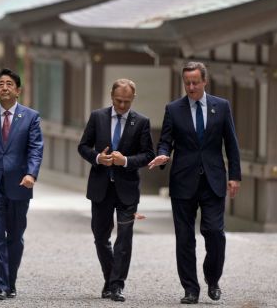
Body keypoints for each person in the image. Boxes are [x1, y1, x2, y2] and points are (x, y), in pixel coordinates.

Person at [148, 61, 241, 304]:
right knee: (185, 237)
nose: (190, 87)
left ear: (204, 82)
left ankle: (213, 278)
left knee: (214, 232)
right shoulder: (174, 109)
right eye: (187, 83)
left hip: (213, 179)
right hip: (183, 180)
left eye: (195, 82)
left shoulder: (221, 107)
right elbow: (166, 140)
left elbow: (231, 143)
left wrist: (234, 176)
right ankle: (190, 288)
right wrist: (163, 153)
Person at [77, 79, 154, 303]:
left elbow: (149, 154)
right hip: (101, 187)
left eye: (127, 102)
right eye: (119, 101)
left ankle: (117, 285)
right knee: (100, 237)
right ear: (111, 97)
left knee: (124, 238)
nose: (122, 106)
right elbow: (83, 146)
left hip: (127, 189)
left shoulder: (141, 122)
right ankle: (110, 278)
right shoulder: (97, 117)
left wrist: (126, 161)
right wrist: (99, 158)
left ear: (133, 99)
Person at [0, 68, 43, 300]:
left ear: (18, 90)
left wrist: (32, 174)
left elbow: (35, 149)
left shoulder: (31, 117)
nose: (4, 87)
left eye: (9, 84)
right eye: (0, 84)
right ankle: (0, 286)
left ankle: (10, 280)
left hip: (20, 183)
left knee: (15, 236)